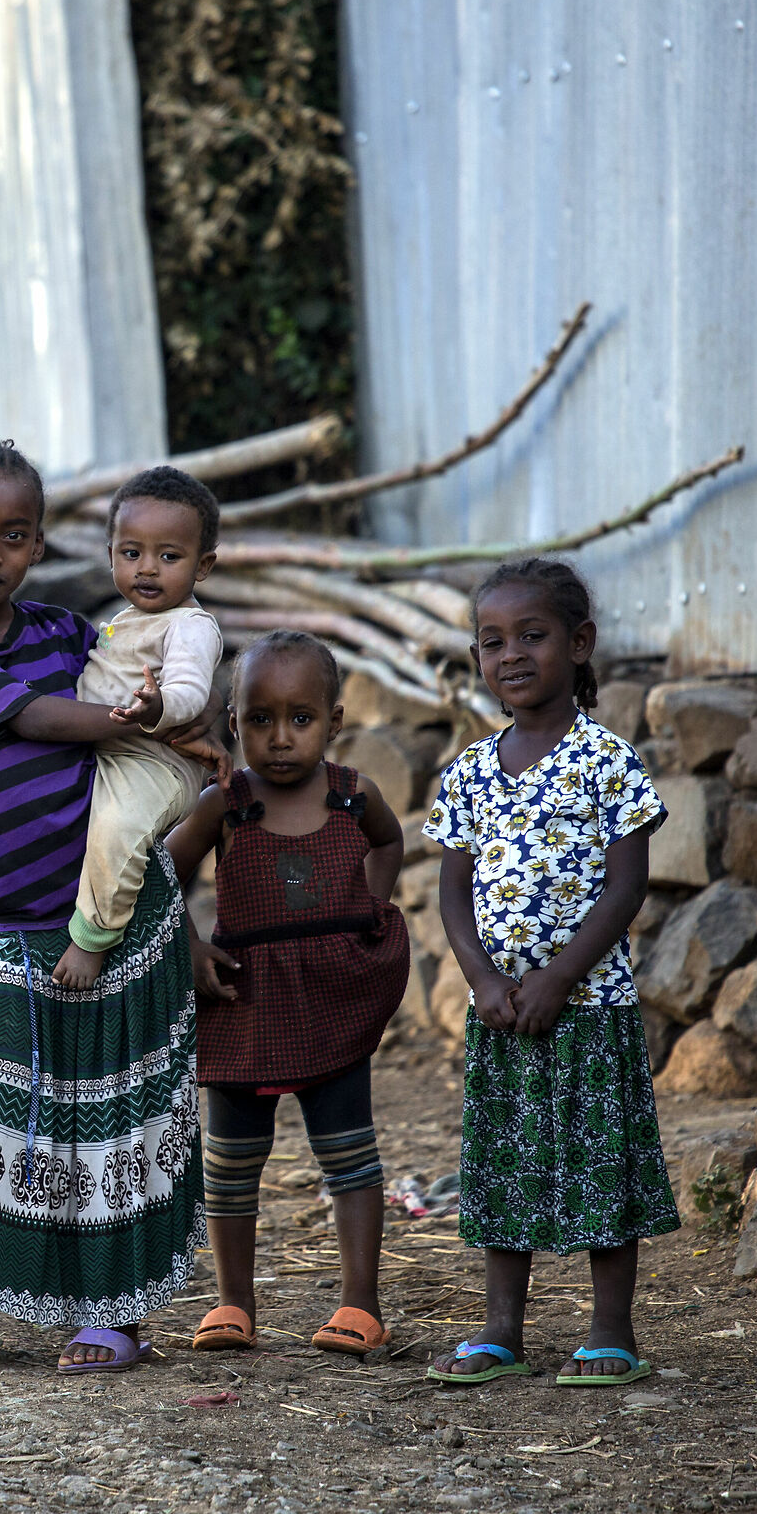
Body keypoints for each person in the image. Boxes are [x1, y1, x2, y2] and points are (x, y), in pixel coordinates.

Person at [0, 440, 226, 1374]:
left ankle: (114, 1314)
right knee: (1, 1112)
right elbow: (27, 717)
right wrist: (142, 724)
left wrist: (181, 724)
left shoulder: (69, 636)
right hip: (21, 919)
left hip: (119, 912)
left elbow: (140, 769)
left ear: (39, 545)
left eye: (12, 535)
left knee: (117, 1116)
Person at [421, 555, 676, 1386]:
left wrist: (561, 976)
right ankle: (501, 1332)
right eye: (492, 642)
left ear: (580, 643)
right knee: (503, 1169)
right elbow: (451, 891)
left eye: (532, 635)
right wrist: (485, 981)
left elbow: (627, 884)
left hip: (588, 1007)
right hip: (500, 1013)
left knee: (601, 1164)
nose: (512, 655)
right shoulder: (468, 771)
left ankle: (611, 1333)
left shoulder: (607, 760)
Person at [157, 630, 409, 1355]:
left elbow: (390, 843)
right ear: (233, 724)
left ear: (334, 718)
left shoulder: (354, 798)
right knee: (232, 1161)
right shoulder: (223, 804)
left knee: (349, 1154)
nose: (280, 738)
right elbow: (154, 880)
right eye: (260, 719)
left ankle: (361, 1304)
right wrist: (191, 945)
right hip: (245, 1003)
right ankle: (233, 1303)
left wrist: (372, 904)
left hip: (332, 998)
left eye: (301, 719)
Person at [51, 466, 226, 990]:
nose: (147, 569)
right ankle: (0, 912)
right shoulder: (123, 619)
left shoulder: (190, 626)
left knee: (117, 832)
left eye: (169, 557)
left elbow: (193, 690)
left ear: (203, 566)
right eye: (131, 554)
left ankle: (92, 940)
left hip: (154, 763)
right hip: (104, 752)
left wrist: (158, 707)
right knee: (47, 816)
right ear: (110, 554)